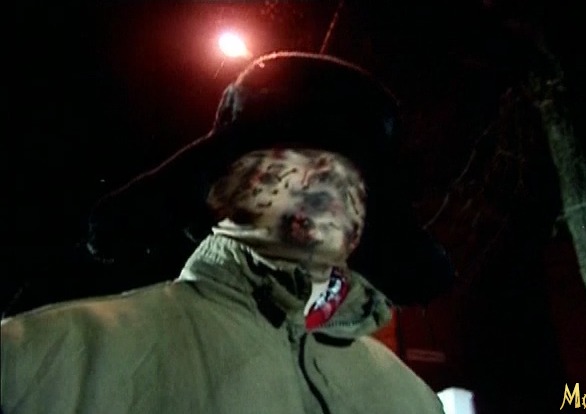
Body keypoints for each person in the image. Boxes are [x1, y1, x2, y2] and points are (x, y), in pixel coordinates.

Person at [1, 51, 454, 414]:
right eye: (285, 166)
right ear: (221, 185)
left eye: (344, 179)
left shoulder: (410, 399)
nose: (316, 196)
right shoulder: (41, 360)